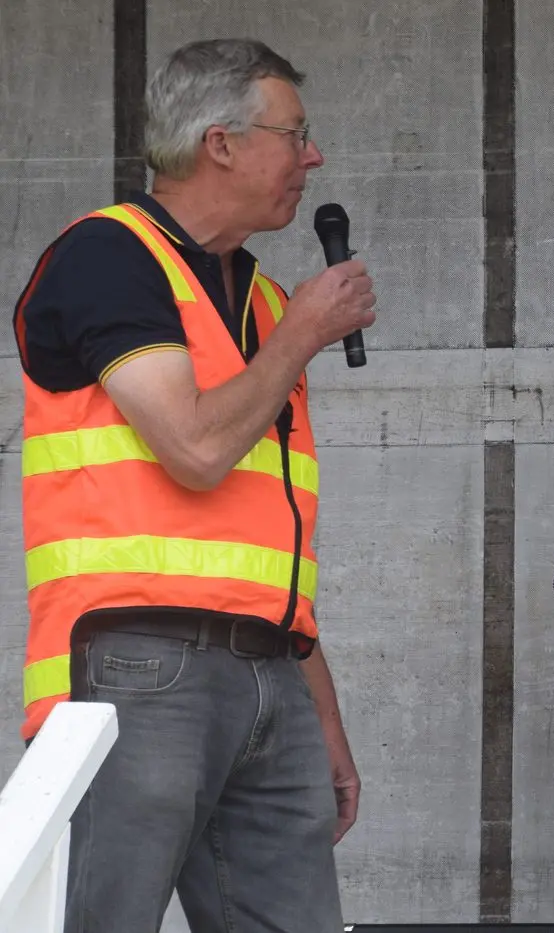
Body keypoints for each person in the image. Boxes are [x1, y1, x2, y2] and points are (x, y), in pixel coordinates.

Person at [12, 39, 376, 932]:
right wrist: (303, 336)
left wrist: (317, 710)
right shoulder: (107, 256)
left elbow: (267, 535)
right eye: (296, 134)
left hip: (269, 671)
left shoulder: (259, 297)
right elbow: (194, 449)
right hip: (133, 665)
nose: (313, 156)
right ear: (221, 143)